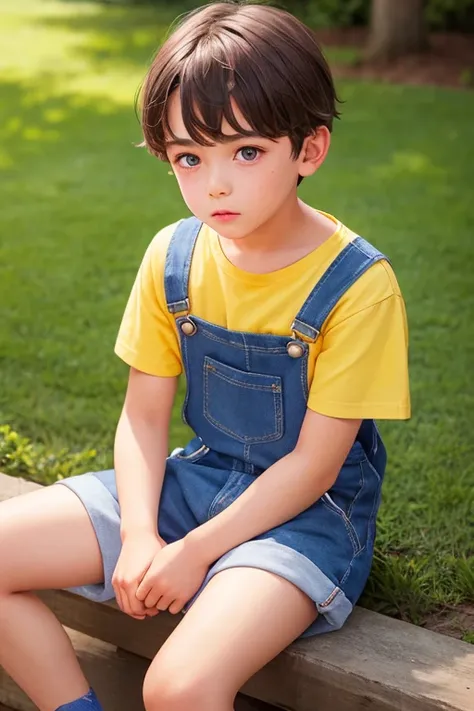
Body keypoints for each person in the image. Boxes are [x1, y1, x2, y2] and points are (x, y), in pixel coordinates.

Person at [0, 1, 411, 710]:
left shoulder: (358, 286)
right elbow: (143, 417)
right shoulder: (175, 256)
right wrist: (138, 534)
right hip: (197, 483)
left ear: (308, 150)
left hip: (308, 516)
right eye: (190, 157)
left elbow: (314, 468)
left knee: (180, 686)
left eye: (245, 152)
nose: (214, 184)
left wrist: (191, 552)